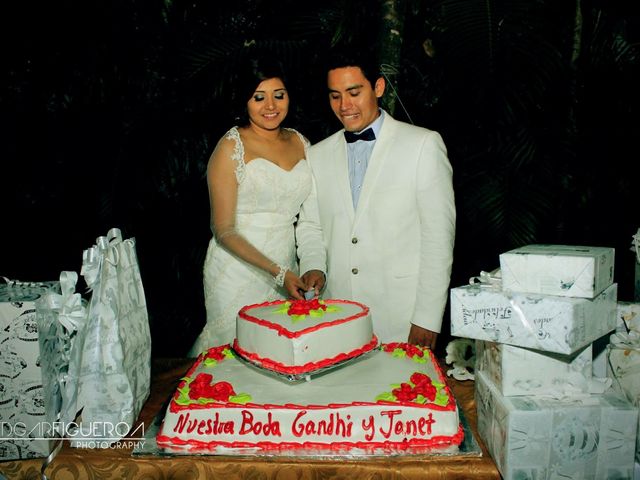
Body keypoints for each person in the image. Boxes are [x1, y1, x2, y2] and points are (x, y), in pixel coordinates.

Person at [298, 52, 456, 349]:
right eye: (335, 96)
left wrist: (427, 318)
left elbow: (439, 238)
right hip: (336, 315)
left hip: (402, 316)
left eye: (354, 93)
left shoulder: (423, 144)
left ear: (378, 88)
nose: (344, 106)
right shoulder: (317, 154)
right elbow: (310, 226)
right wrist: (315, 265)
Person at [189, 58, 326, 356]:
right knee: (235, 354)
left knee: (282, 354)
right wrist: (279, 273)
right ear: (244, 100)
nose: (270, 106)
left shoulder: (302, 143)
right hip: (236, 269)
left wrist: (308, 266)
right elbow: (223, 229)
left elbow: (311, 218)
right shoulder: (230, 147)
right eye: (258, 97)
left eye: (279, 94)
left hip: (289, 263)